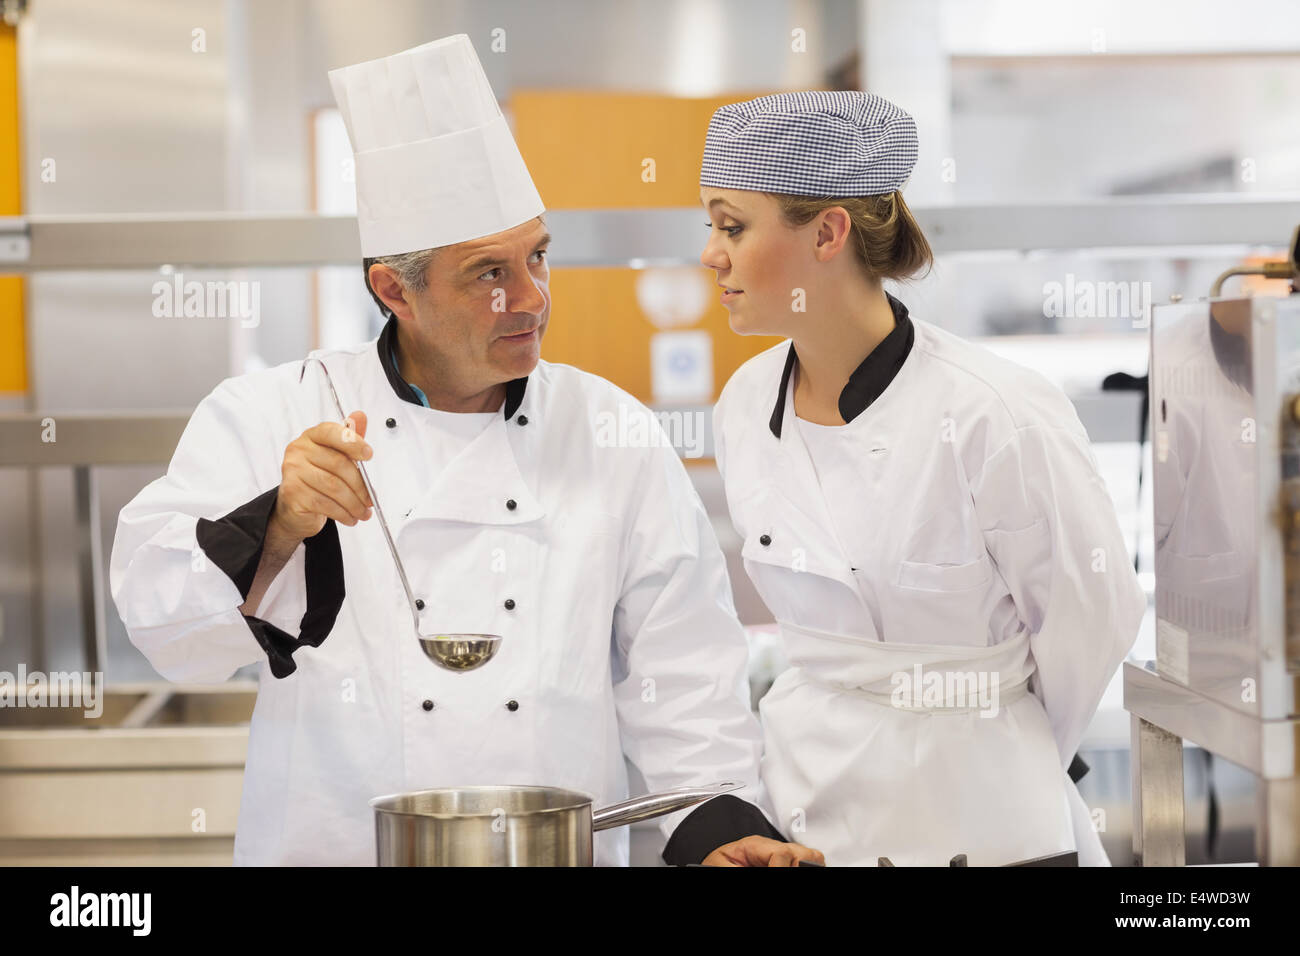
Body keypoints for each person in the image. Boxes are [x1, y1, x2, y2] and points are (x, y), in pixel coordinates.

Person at [110, 35, 821, 868]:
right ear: (393, 290)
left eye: (537, 258)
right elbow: (165, 630)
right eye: (488, 273)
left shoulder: (611, 434)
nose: (530, 298)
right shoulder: (276, 413)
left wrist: (718, 832)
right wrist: (278, 524)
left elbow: (686, 677)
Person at [699, 90, 1146, 866]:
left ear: (829, 231)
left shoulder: (995, 413)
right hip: (805, 815)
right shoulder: (742, 405)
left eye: (732, 225)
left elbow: (1091, 620)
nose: (712, 253)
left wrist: (1001, 737)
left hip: (982, 820)